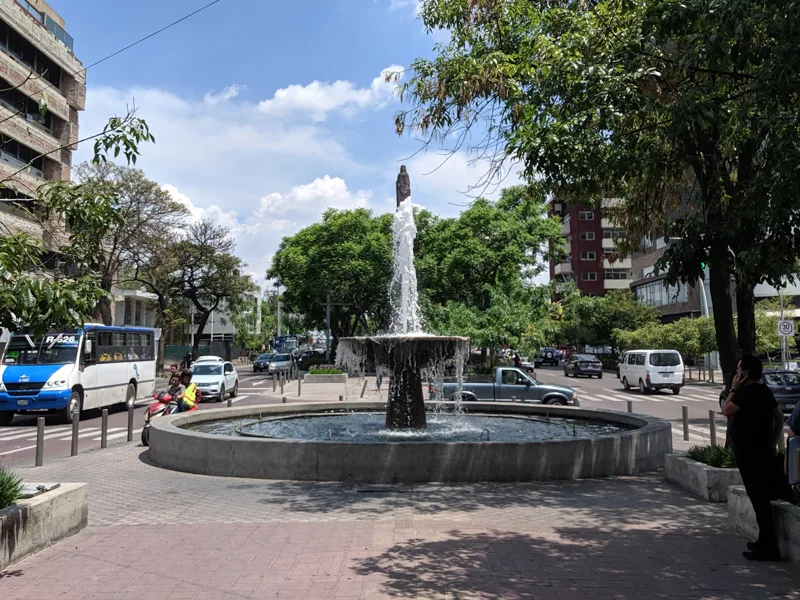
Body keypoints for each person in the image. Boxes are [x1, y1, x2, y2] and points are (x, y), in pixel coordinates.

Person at [722, 355, 785, 561]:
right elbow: (779, 416)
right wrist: (774, 442)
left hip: (750, 454)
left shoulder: (746, 392)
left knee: (759, 500)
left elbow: (726, 409)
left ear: (745, 373)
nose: (736, 373)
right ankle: (763, 542)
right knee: (760, 498)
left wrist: (733, 389)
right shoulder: (764, 391)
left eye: (739, 369)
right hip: (763, 452)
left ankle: (769, 547)